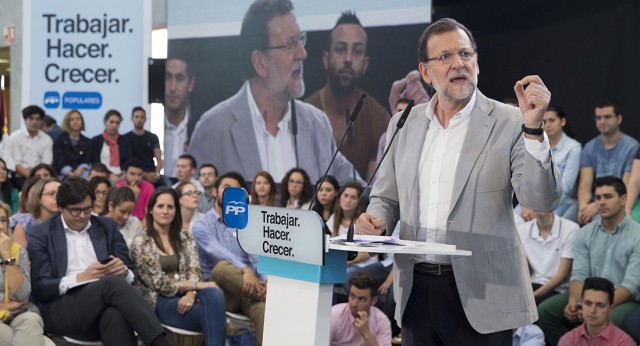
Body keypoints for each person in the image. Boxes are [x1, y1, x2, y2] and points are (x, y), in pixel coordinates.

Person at [355, 18, 561, 345]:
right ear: (425, 72)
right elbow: (386, 198)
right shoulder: (403, 123)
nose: (458, 64)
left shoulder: (511, 121)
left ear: (476, 62)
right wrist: (375, 222)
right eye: (445, 56)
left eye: (465, 54)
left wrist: (534, 130)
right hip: (416, 290)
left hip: (485, 293)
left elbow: (541, 200)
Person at [188, 0, 360, 184]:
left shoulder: (317, 124)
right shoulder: (213, 130)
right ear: (260, 62)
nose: (302, 53)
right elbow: (194, 202)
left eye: (300, 39)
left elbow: (359, 192)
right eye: (290, 44)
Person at [27, 177, 171, 345]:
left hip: (103, 303)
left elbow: (132, 273)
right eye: (75, 210)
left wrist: (124, 271)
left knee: (114, 315)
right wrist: (80, 278)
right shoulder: (42, 233)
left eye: (87, 209)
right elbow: (40, 288)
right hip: (61, 308)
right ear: (61, 208)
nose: (82, 216)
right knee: (111, 284)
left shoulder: (106, 226)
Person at [537, 176, 640, 345]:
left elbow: (631, 285)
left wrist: (592, 307)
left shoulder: (637, 235)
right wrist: (575, 302)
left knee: (605, 319)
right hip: (588, 295)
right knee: (544, 314)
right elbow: (579, 274)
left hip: (623, 298)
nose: (601, 202)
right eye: (598, 197)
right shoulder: (585, 232)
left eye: (608, 197)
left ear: (623, 199)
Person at [131, 187, 226, 346]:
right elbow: (159, 283)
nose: (165, 211)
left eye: (170, 207)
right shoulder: (141, 242)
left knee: (215, 294)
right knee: (214, 316)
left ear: (176, 210)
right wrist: (196, 285)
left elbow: (194, 269)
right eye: (160, 206)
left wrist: (191, 293)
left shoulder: (185, 236)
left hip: (188, 296)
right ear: (151, 210)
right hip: (159, 301)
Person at [304, 11, 389, 180]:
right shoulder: (304, 114)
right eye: (341, 49)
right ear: (325, 59)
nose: (348, 59)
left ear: (365, 64)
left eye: (357, 51)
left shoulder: (378, 118)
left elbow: (373, 192)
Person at [192, 172, 266, 345]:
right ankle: (272, 295)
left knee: (263, 311)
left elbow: (256, 256)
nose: (230, 192)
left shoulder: (246, 223)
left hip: (249, 288)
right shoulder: (202, 225)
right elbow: (217, 252)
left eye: (235, 190)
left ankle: (266, 294)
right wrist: (245, 269)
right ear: (215, 192)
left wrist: (265, 279)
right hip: (220, 289)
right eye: (226, 187)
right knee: (222, 266)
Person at [0, 202, 55, 346]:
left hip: (19, 314)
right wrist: (11, 305)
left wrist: (7, 257)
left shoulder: (17, 251)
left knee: (32, 319)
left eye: (3, 220)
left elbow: (22, 294)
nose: (0, 226)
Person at [577, 99, 638, 225]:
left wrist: (598, 204)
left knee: (598, 223)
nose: (602, 121)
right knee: (567, 220)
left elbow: (626, 185)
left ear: (619, 119)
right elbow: (585, 184)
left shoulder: (632, 147)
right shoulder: (589, 147)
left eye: (607, 117)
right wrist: (583, 207)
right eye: (598, 118)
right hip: (595, 201)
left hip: (615, 201)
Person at [517, 105, 582, 222]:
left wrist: (540, 207)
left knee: (540, 222)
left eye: (552, 120)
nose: (547, 125)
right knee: (515, 218)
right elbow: (526, 179)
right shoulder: (536, 145)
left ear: (562, 121)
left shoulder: (573, 147)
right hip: (534, 200)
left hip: (561, 201)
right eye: (544, 122)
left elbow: (566, 187)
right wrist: (527, 205)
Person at [517, 211, 579, 305]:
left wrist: (532, 297)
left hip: (557, 289)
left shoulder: (571, 228)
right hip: (532, 284)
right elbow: (524, 270)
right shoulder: (522, 229)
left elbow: (561, 276)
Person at [558, 277, 636, 346]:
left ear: (610, 309)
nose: (592, 310)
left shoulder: (624, 343)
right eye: (588, 303)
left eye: (600, 305)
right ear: (581, 304)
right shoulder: (568, 340)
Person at [330, 273, 391, 346]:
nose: (354, 304)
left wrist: (367, 334)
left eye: (361, 299)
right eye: (352, 296)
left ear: (373, 300)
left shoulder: (381, 321)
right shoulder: (334, 315)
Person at [2, 105, 53, 190]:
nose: (34, 122)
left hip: (41, 176)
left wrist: (39, 177)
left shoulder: (47, 139)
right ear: (25, 120)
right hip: (19, 177)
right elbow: (16, 164)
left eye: (37, 119)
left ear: (41, 121)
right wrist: (32, 177)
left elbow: (46, 163)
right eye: (31, 118)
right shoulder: (15, 137)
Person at [164, 56, 198, 181]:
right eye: (167, 78)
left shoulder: (201, 125)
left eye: (179, 78)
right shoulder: (151, 124)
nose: (172, 88)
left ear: (191, 84)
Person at [12, 178, 60, 248]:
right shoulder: (25, 222)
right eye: (51, 194)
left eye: (60, 194)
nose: (57, 197)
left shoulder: (68, 221)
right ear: (38, 198)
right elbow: (19, 257)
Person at [122, 107, 164, 186]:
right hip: (132, 173)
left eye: (142, 117)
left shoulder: (153, 137)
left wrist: (157, 174)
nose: (139, 120)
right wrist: (143, 175)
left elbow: (159, 159)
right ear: (132, 118)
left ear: (145, 119)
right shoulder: (125, 138)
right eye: (137, 117)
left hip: (151, 173)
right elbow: (123, 161)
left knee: (167, 184)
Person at [88, 109, 131, 182]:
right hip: (101, 174)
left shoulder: (125, 141)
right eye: (111, 122)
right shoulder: (95, 141)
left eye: (117, 123)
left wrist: (125, 174)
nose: (114, 125)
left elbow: (128, 161)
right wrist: (109, 174)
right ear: (105, 122)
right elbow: (95, 162)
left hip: (122, 175)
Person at [52, 109, 91, 179]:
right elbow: (59, 161)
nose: (75, 122)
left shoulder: (87, 141)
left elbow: (86, 160)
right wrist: (70, 172)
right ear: (67, 122)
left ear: (82, 122)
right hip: (63, 175)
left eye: (78, 119)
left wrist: (80, 170)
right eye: (72, 119)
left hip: (81, 174)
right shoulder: (59, 140)